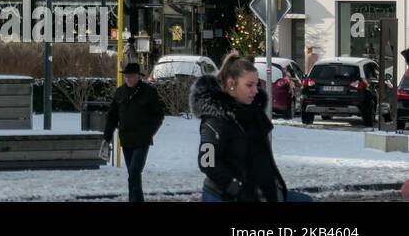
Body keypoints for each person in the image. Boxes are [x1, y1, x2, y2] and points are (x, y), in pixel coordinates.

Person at [192, 50, 313, 202]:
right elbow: (207, 163)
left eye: (256, 84)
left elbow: (263, 160)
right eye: (249, 85)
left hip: (258, 192)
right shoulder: (215, 119)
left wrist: (274, 187)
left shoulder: (254, 115)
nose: (255, 90)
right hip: (224, 195)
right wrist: (236, 187)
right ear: (231, 84)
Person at [102, 62, 165, 202]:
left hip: (142, 140)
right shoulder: (120, 92)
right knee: (132, 174)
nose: (128, 79)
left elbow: (159, 115)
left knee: (135, 171)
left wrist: (150, 132)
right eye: (126, 76)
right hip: (126, 139)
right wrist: (106, 138)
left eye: (131, 76)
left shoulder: (149, 92)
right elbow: (112, 116)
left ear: (138, 76)